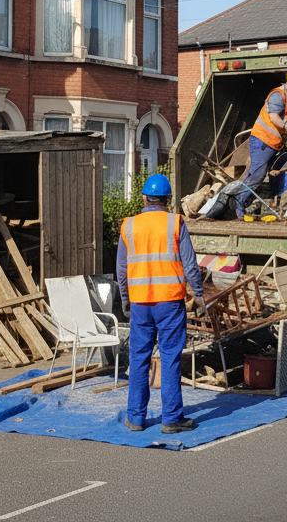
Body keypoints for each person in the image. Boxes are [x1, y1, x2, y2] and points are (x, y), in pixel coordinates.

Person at [117, 173, 207, 433]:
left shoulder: (129, 225)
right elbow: (190, 264)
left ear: (144, 197)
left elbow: (122, 268)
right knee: (169, 359)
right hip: (169, 302)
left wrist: (125, 298)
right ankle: (171, 419)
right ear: (167, 200)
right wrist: (199, 296)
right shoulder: (175, 223)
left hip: (140, 304)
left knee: (139, 359)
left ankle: (135, 418)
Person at [237, 71, 287, 213]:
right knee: (257, 174)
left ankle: (278, 206)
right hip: (263, 141)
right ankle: (238, 205)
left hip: (276, 143)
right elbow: (274, 117)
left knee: (283, 171)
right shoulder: (278, 95)